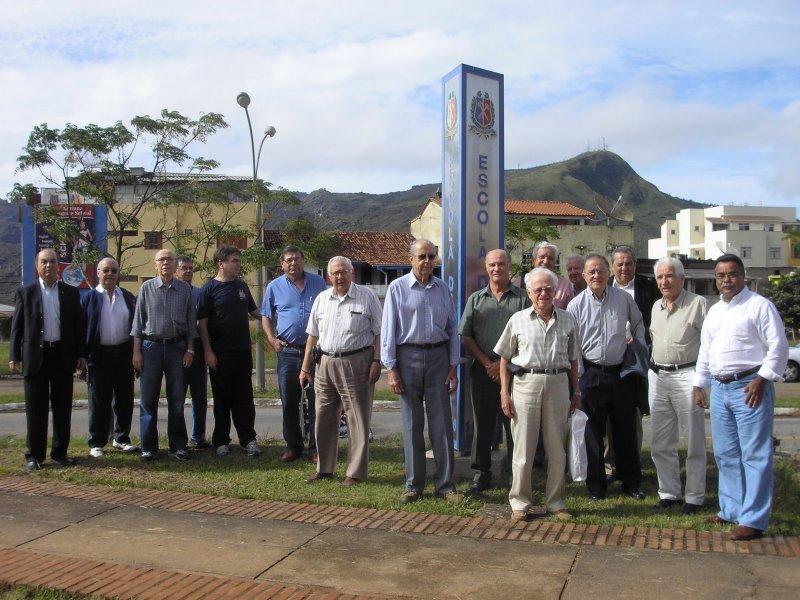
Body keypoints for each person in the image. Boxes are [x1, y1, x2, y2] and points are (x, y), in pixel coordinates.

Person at [693, 254, 788, 541]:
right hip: (721, 389)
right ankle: (731, 510)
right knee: (726, 453)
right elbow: (705, 351)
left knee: (755, 454)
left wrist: (762, 378)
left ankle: (754, 520)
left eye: (732, 274)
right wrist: (700, 384)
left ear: (743, 275)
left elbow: (779, 346)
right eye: (721, 276)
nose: (726, 280)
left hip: (750, 386)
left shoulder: (760, 306)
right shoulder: (715, 311)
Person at [494, 267, 581, 522]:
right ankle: (520, 503)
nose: (544, 293)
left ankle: (556, 502)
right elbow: (504, 358)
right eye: (538, 289)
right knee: (523, 447)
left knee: (557, 449)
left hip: (557, 383)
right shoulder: (518, 319)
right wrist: (504, 392)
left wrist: (576, 391)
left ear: (556, 291)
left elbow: (574, 359)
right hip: (525, 384)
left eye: (548, 289)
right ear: (529, 292)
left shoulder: (567, 319)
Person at [381, 239, 462, 503]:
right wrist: (391, 369)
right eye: (422, 257)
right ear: (411, 259)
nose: (427, 261)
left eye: (431, 256)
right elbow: (388, 331)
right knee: (412, 424)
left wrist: (452, 365)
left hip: (439, 357)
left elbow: (452, 329)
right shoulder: (397, 288)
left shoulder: (442, 289)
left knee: (442, 425)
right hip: (408, 357)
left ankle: (446, 485)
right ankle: (413, 485)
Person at [566, 253, 646, 500]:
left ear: (608, 272)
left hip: (620, 373)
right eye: (591, 272)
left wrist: (637, 347)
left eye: (600, 271)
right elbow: (573, 345)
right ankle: (596, 487)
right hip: (591, 373)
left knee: (625, 430)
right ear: (584, 275)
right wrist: (578, 379)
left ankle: (631, 483)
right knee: (593, 433)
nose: (596, 276)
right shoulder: (576, 305)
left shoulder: (623, 298)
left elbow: (638, 323)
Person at [300, 256, 382, 485]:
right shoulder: (321, 299)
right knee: (323, 416)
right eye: (335, 273)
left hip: (357, 362)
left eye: (343, 272)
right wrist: (305, 367)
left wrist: (377, 360)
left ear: (351, 273)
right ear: (328, 276)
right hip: (324, 363)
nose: (339, 277)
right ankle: (324, 468)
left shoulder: (367, 297)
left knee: (357, 418)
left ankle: (355, 473)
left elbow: (379, 332)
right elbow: (312, 336)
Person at [459, 249, 530, 494]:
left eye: (501, 264)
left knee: (514, 423)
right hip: (483, 370)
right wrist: (488, 363)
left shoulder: (523, 299)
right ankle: (481, 474)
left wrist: (502, 364)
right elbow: (466, 335)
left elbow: (529, 334)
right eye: (492, 265)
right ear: (486, 268)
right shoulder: (476, 300)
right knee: (484, 424)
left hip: (514, 370)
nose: (496, 268)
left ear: (509, 266)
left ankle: (516, 475)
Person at [10, 248, 86, 472]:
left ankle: (60, 453)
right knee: (36, 409)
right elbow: (17, 328)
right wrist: (14, 355)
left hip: (62, 356)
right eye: (44, 262)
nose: (49, 266)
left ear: (58, 265)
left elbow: (78, 327)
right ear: (37, 266)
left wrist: (81, 354)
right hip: (35, 358)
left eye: (53, 262)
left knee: (63, 408)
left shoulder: (70, 293)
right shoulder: (26, 292)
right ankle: (34, 455)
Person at [649, 257, 708, 514]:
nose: (664, 281)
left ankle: (694, 496)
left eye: (669, 276)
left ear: (682, 278)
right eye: (660, 277)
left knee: (694, 439)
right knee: (661, 441)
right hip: (660, 377)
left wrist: (701, 381)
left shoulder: (698, 304)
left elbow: (709, 344)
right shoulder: (655, 307)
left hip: (689, 376)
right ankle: (669, 492)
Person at [262, 245, 327, 462]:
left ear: (303, 260)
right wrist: (272, 339)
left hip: (316, 353)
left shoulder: (318, 283)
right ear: (282, 264)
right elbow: (265, 315)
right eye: (288, 260)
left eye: (297, 259)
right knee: (289, 401)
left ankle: (316, 448)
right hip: (288, 352)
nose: (293, 263)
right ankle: (293, 446)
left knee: (317, 401)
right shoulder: (274, 287)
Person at [131, 249, 196, 462]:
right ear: (155, 265)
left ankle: (177, 446)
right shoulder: (146, 288)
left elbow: (190, 324)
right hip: (151, 348)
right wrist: (136, 353)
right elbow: (138, 325)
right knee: (148, 399)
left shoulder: (185, 289)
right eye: (162, 260)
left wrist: (190, 349)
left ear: (175, 264)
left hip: (177, 348)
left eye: (169, 259)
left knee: (177, 399)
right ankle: (148, 447)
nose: (166, 263)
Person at [198, 245, 261, 458]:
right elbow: (202, 324)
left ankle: (248, 440)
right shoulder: (208, 289)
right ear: (221, 263)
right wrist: (208, 351)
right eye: (234, 261)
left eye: (239, 260)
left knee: (245, 399)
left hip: (243, 353)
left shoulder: (242, 286)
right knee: (222, 400)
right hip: (220, 354)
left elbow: (256, 313)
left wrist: (279, 318)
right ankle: (221, 441)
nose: (238, 265)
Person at [606, 245, 659, 476]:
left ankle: (632, 463)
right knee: (608, 416)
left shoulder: (650, 288)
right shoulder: (602, 285)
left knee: (633, 413)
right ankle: (609, 465)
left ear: (635, 266)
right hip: (609, 359)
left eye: (629, 263)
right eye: (620, 263)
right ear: (612, 266)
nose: (624, 268)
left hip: (637, 360)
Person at [82, 257, 138, 457]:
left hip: (123, 353)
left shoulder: (128, 296)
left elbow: (136, 326)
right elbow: (82, 329)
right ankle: (97, 442)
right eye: (106, 270)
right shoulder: (89, 298)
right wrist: (82, 357)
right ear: (98, 273)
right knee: (99, 400)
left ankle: (121, 438)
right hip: (98, 355)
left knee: (124, 398)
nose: (110, 274)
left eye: (114, 271)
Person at [176, 256, 210, 448]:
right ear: (176, 271)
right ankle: (179, 438)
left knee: (199, 396)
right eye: (184, 268)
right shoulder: (172, 292)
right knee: (177, 396)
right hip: (176, 347)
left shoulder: (199, 293)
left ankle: (199, 436)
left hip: (196, 347)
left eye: (190, 268)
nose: (188, 271)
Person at [532, 242, 573, 309]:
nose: (545, 261)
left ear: (555, 262)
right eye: (541, 257)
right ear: (533, 261)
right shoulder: (521, 282)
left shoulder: (565, 285)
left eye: (550, 258)